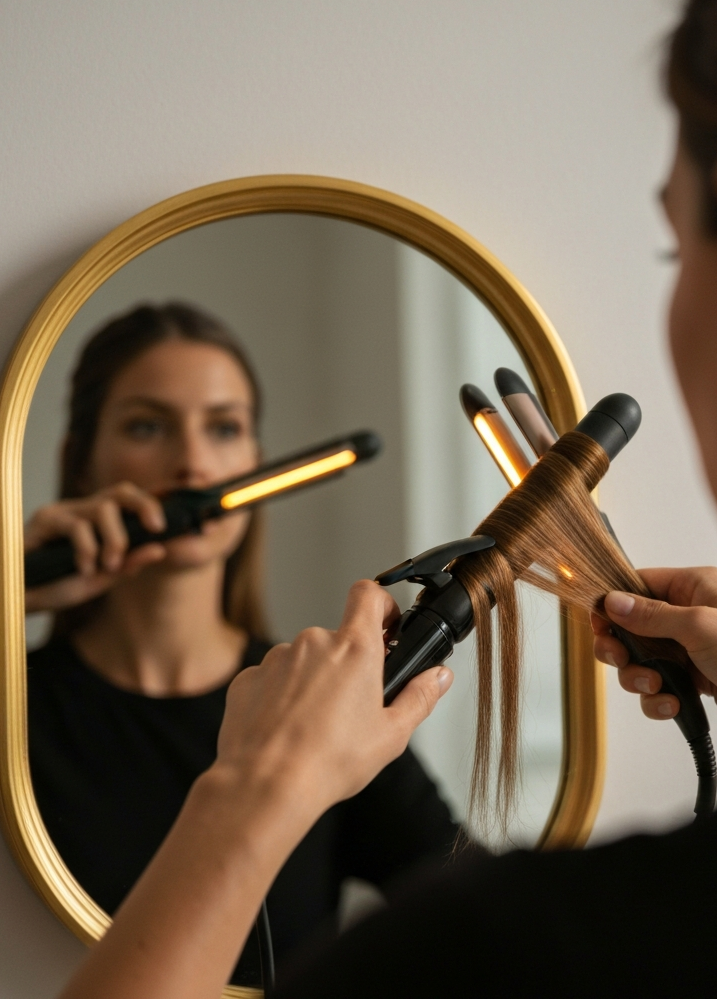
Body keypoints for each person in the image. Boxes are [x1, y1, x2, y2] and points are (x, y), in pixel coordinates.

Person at [57, 0, 717, 996]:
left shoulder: (511, 959)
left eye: (671, 245)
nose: (193, 466)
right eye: (148, 426)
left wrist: (249, 791)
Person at [24, 303, 461, 987]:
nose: (193, 463)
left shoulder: (310, 706)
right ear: (82, 464)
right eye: (147, 426)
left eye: (223, 428)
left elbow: (475, 914)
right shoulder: (0, 708)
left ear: (257, 465)